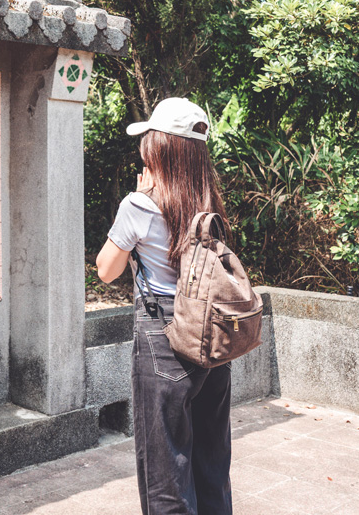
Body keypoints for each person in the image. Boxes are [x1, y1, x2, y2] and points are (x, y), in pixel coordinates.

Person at [95, 97, 233, 515]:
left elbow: (105, 270)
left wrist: (135, 208)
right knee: (211, 459)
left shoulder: (139, 204)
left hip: (165, 338)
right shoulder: (209, 200)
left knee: (166, 466)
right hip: (212, 334)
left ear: (160, 148)